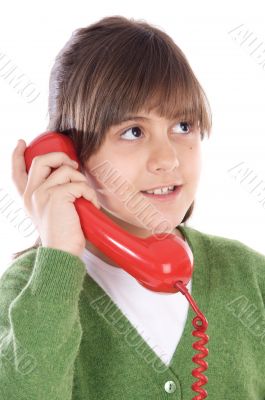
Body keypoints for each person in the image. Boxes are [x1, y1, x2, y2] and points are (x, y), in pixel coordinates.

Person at [1, 15, 265, 400]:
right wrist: (57, 258)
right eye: (133, 132)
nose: (167, 159)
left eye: (183, 126)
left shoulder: (250, 279)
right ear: (69, 156)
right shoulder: (26, 294)